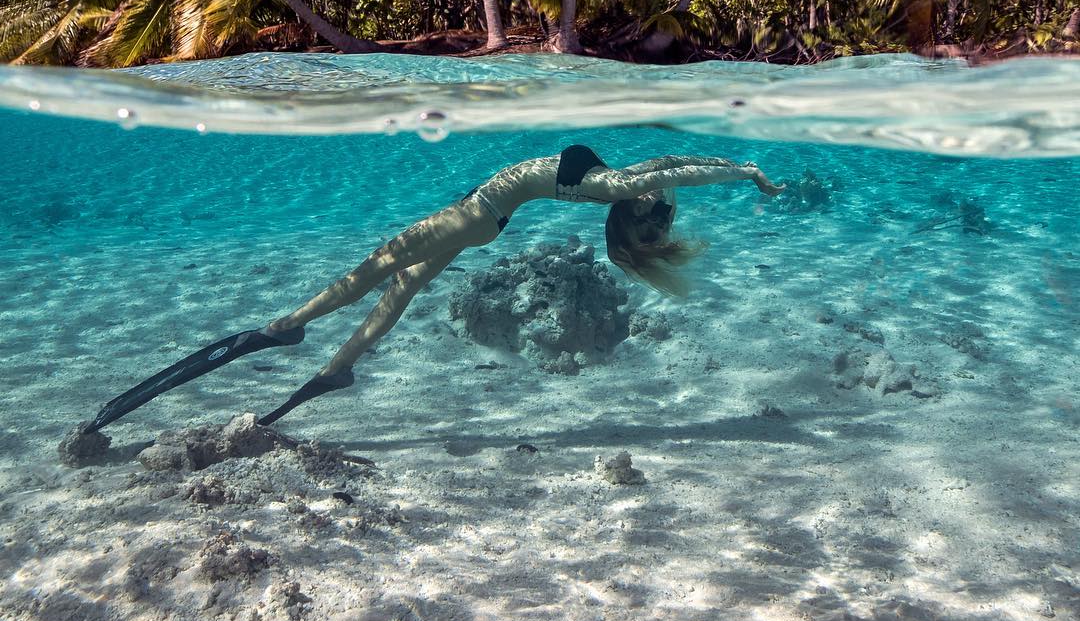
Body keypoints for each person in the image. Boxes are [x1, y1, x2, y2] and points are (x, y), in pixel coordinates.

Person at [83, 145, 784, 433]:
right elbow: (681, 162)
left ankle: (287, 325)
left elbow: (679, 173)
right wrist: (741, 169)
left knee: (377, 265)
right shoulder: (629, 178)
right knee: (401, 291)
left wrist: (744, 173)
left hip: (476, 216)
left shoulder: (617, 185)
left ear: (639, 207)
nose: (660, 192)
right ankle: (336, 370)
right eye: (662, 198)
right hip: (480, 222)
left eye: (658, 202)